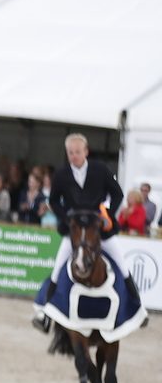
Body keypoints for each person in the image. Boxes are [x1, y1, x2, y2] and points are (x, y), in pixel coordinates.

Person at [33, 133, 139, 332]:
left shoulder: (100, 169)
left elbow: (117, 193)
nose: (74, 156)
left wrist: (107, 214)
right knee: (57, 269)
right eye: (70, 153)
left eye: (77, 152)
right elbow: (54, 201)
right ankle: (45, 314)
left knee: (122, 265)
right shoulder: (61, 175)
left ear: (86, 152)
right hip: (74, 229)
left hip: (98, 228)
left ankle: (137, 309)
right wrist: (66, 218)